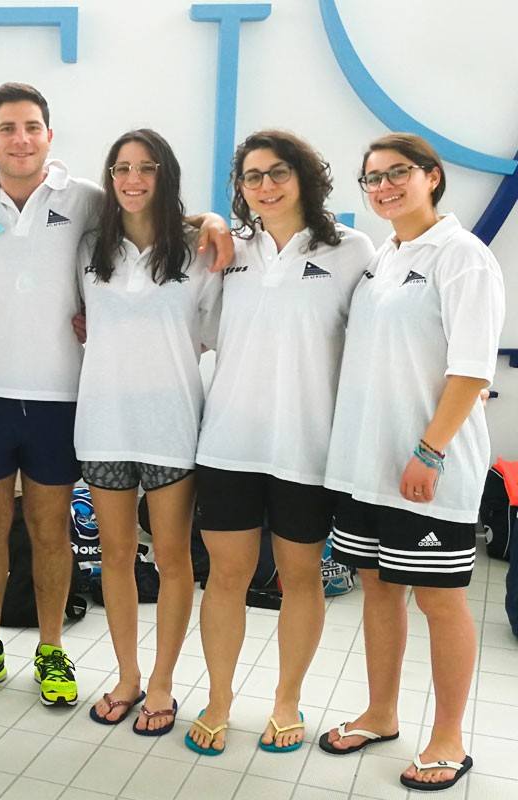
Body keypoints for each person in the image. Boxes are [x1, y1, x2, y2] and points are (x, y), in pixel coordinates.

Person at [0, 83, 232, 707]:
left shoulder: (87, 200)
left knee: (52, 530)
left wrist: (211, 219)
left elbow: (155, 215)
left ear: (50, 136)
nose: (21, 139)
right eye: (7, 128)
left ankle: (52, 649)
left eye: (32, 127)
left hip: (62, 397)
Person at [321, 133, 503, 792]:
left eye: (397, 173)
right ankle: (381, 712)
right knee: (377, 587)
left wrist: (430, 450)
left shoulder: (463, 256)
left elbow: (472, 369)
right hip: (366, 465)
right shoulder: (384, 258)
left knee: (439, 600)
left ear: (432, 177)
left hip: (429, 468)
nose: (384, 187)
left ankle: (449, 737)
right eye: (372, 178)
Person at [184, 130, 375, 756]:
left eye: (278, 172)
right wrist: (209, 221)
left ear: (305, 177)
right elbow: (186, 309)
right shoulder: (228, 248)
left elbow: (381, 336)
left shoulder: (351, 250)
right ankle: (218, 699)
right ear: (239, 187)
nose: (265, 185)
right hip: (228, 445)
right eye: (252, 176)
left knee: (300, 578)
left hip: (306, 450)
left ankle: (287, 700)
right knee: (226, 577)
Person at [77, 129, 219, 735]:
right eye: (122, 168)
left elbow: (213, 333)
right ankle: (128, 675)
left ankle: (162, 680)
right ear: (110, 178)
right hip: (104, 423)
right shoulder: (90, 247)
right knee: (114, 557)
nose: (132, 179)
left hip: (171, 426)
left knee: (172, 558)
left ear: (166, 175)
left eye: (146, 167)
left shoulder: (198, 250)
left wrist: (209, 219)